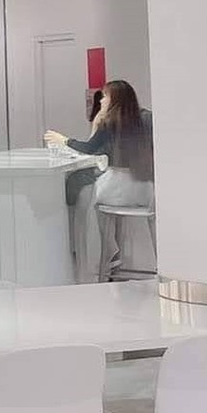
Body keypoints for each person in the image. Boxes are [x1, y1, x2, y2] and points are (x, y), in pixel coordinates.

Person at [44, 79, 154, 280]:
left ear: (115, 99)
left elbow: (89, 148)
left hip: (117, 190)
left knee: (90, 198)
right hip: (147, 191)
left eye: (104, 97)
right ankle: (113, 254)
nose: (101, 101)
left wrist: (64, 140)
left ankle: (106, 254)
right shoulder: (148, 118)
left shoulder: (110, 122)